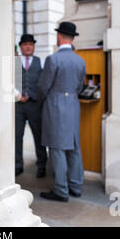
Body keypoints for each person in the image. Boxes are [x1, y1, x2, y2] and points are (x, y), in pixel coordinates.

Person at [38, 22, 86, 202]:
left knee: (57, 148)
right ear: (72, 38)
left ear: (59, 37)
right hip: (73, 104)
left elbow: (43, 87)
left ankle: (60, 190)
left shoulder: (53, 59)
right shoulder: (80, 61)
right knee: (74, 147)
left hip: (56, 105)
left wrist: (41, 103)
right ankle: (75, 186)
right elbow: (80, 86)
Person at [15, 34, 47, 178]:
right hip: (18, 106)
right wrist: (17, 95)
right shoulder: (14, 62)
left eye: (31, 44)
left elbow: (44, 83)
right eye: (25, 44)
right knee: (17, 136)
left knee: (38, 136)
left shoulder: (40, 62)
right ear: (21, 47)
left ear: (33, 47)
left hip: (35, 105)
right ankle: (17, 165)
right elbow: (8, 81)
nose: (28, 46)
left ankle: (42, 165)